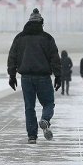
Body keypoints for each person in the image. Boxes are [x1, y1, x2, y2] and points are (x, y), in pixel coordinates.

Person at [7, 8, 61, 144]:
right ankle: (45, 119)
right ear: (41, 23)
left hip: (26, 77)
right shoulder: (47, 38)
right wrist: (58, 76)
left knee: (29, 107)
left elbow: (12, 57)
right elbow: (54, 58)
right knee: (48, 103)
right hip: (43, 76)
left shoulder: (19, 38)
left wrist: (12, 76)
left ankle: (32, 136)